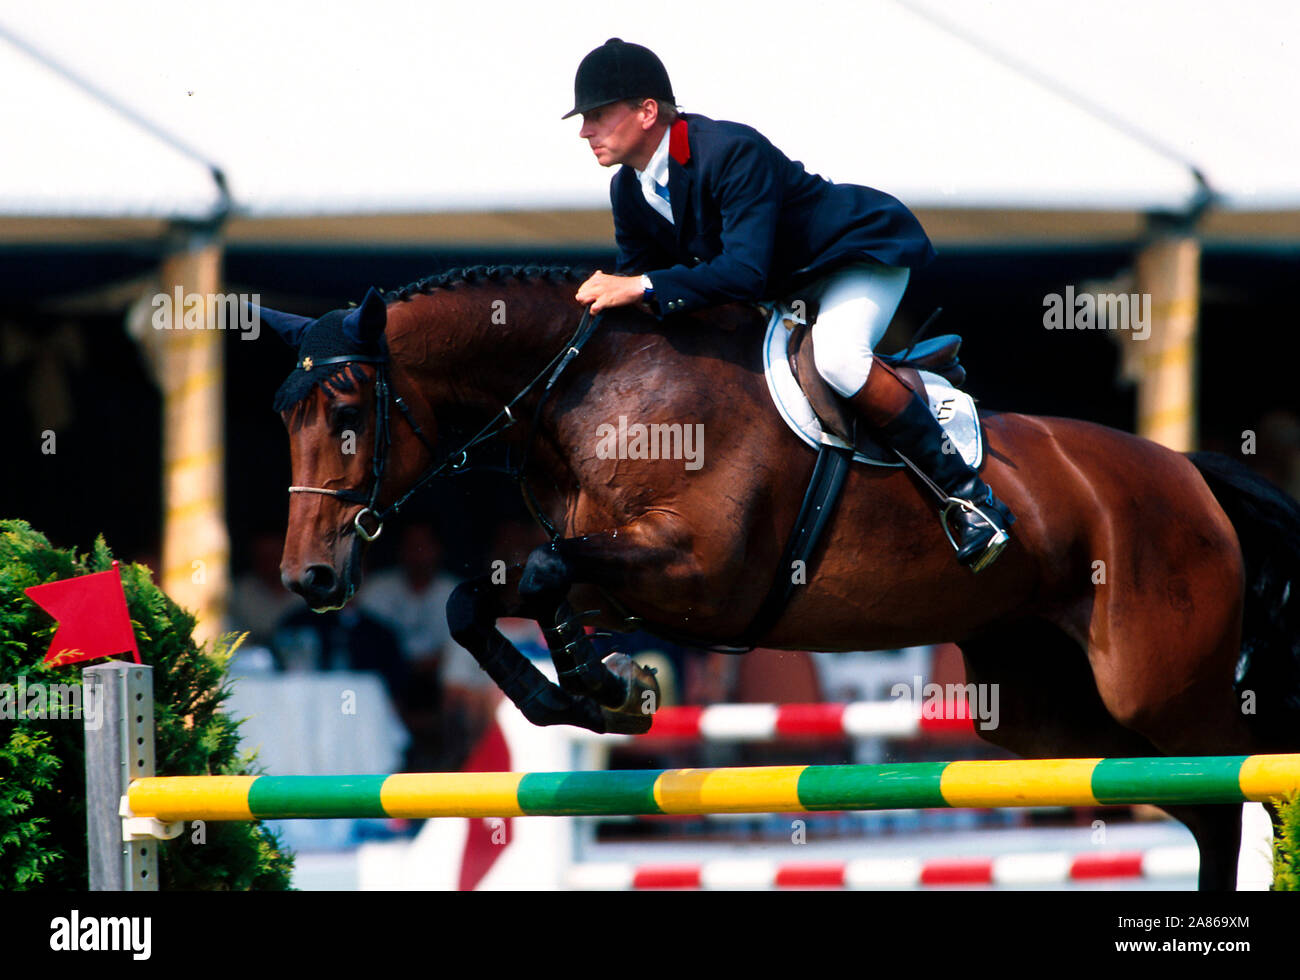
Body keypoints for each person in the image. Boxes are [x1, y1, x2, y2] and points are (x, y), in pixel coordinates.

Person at [565, 38, 1014, 570]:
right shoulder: (629, 189)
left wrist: (639, 286)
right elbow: (652, 284)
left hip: (855, 257)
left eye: (597, 114)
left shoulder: (729, 150)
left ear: (646, 112)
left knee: (838, 359)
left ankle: (969, 498)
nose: (584, 131)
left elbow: (740, 272)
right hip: (788, 289)